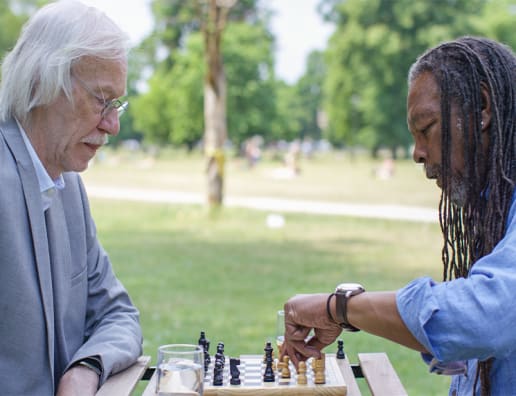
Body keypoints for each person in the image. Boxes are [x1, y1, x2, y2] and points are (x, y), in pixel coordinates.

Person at [281, 36, 516, 396]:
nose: (417, 154)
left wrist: (339, 308)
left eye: (426, 128)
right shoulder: (497, 205)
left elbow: (486, 317)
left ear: (482, 108)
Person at [0, 1, 143, 395]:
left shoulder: (68, 186)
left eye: (116, 104)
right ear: (40, 82)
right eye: (101, 100)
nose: (112, 125)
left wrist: (85, 367)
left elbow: (118, 315)